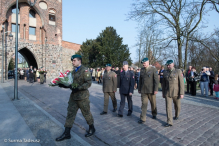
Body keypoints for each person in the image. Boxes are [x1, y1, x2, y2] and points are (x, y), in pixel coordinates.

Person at [56, 54, 95, 141]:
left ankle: (92, 128)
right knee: (70, 114)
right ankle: (67, 133)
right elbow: (71, 84)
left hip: (82, 97)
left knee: (86, 113)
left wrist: (79, 88)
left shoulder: (85, 71)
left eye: (74, 61)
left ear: (79, 61)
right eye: (72, 61)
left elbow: (88, 83)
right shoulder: (73, 72)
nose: (73, 62)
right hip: (73, 97)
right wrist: (63, 85)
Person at [162, 60, 184, 127]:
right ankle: (169, 121)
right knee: (168, 107)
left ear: (173, 64)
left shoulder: (178, 71)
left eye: (169, 65)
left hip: (176, 92)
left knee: (177, 105)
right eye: (167, 65)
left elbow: (181, 83)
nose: (168, 66)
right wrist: (163, 93)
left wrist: (181, 93)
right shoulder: (165, 72)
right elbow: (164, 84)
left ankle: (177, 115)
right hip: (167, 92)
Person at [138, 58, 159, 124]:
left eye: (144, 63)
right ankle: (142, 118)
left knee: (153, 103)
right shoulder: (142, 70)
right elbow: (140, 80)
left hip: (151, 90)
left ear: (148, 62)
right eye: (142, 63)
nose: (143, 64)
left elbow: (156, 80)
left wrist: (155, 89)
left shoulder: (153, 69)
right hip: (143, 90)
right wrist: (139, 88)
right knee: (144, 104)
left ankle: (154, 113)